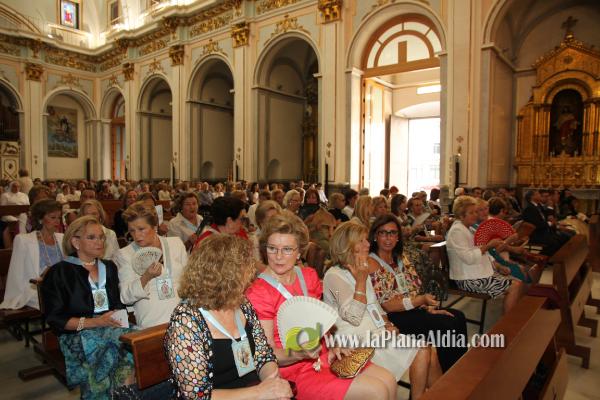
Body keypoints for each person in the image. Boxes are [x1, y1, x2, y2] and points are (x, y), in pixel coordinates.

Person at [246, 212, 398, 400]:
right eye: (272, 248)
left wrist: (333, 346)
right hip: (291, 371)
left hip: (323, 356)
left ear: (299, 251)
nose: (278, 257)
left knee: (389, 380)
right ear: (264, 249)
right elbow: (265, 354)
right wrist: (299, 353)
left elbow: (319, 325)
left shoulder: (308, 277)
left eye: (287, 249)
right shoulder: (259, 292)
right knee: (377, 390)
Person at [165, 234, 293, 399]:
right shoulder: (186, 322)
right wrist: (260, 392)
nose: (251, 275)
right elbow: (196, 395)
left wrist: (272, 383)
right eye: (246, 269)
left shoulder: (241, 303)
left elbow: (263, 354)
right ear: (228, 277)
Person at [323, 221, 440, 398]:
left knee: (430, 351)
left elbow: (375, 305)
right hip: (354, 341)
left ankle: (444, 393)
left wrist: (387, 323)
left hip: (376, 332)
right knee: (423, 350)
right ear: (348, 245)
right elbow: (354, 317)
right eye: (362, 241)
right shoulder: (334, 275)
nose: (368, 244)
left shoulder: (361, 267)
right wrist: (361, 281)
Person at [41, 216, 134, 398]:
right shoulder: (59, 272)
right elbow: (55, 318)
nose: (99, 242)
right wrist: (95, 322)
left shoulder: (109, 267)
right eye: (91, 237)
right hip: (77, 333)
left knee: (137, 339)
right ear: (75, 242)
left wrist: (117, 317)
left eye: (101, 237)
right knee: (107, 347)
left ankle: (124, 394)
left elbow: (117, 304)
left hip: (110, 326)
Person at [367, 214, 468, 372]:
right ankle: (450, 376)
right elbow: (388, 305)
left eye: (392, 233)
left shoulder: (400, 257)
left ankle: (458, 370)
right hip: (391, 317)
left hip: (412, 309)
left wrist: (428, 308)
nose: (388, 238)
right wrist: (420, 301)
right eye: (383, 233)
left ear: (398, 237)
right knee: (446, 326)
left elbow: (414, 288)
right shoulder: (372, 262)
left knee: (458, 316)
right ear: (375, 236)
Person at [115, 201, 188, 329]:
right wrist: (146, 277)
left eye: (141, 229)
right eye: (132, 231)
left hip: (184, 318)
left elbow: (189, 281)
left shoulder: (176, 244)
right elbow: (125, 297)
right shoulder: (125, 254)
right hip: (152, 322)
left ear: (155, 226)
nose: (136, 235)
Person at [446, 196, 525, 313]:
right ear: (461, 215)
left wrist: (498, 266)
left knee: (518, 280)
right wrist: (488, 246)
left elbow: (484, 253)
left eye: (475, 212)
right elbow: (469, 258)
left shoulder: (468, 228)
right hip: (468, 279)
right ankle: (508, 321)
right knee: (515, 286)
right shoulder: (457, 231)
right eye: (471, 213)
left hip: (477, 273)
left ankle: (512, 316)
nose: (475, 215)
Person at [0, 199, 64, 310]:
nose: (57, 221)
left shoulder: (62, 238)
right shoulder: (23, 240)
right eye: (53, 217)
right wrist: (45, 275)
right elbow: (16, 274)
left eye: (59, 217)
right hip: (35, 290)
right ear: (40, 219)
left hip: (63, 287)